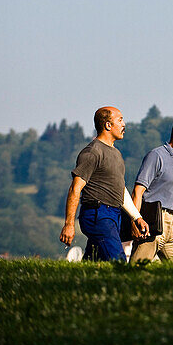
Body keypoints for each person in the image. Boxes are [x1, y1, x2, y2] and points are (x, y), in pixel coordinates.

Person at [59, 106, 149, 261]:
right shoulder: (92, 152)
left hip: (114, 215)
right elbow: (75, 189)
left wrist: (136, 217)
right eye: (120, 120)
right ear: (108, 125)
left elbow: (119, 189)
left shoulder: (117, 154)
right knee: (118, 262)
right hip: (98, 214)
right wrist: (69, 224)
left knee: (93, 263)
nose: (124, 124)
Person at [130, 114, 173, 262]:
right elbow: (138, 191)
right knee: (136, 271)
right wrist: (135, 220)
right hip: (152, 221)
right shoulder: (156, 155)